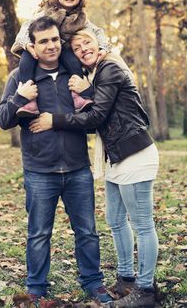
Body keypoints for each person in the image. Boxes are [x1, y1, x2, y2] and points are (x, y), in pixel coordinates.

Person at [30, 29, 159, 308]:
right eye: (76, 47)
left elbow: (97, 115)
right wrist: (86, 89)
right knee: (114, 220)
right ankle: (126, 279)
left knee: (142, 225)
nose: (82, 48)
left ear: (98, 44)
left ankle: (146, 290)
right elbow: (102, 108)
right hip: (116, 156)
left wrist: (56, 120)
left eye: (86, 42)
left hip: (134, 152)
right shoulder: (95, 74)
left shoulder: (110, 67)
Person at [0, 17, 113, 305]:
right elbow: (2, 120)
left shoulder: (75, 75)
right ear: (32, 47)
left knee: (86, 231)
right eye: (43, 41)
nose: (51, 45)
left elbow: (94, 120)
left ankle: (93, 282)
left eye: (54, 39)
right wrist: (18, 99)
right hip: (39, 171)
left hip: (77, 169)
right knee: (38, 234)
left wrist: (69, 109)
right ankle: (36, 289)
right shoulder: (19, 78)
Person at [11, 0, 110, 118]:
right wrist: (27, 44)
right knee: (25, 62)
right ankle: (29, 101)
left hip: (62, 48)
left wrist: (103, 48)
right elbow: (25, 28)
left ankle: (77, 96)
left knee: (74, 62)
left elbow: (98, 32)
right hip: (36, 47)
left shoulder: (81, 17)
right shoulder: (46, 12)